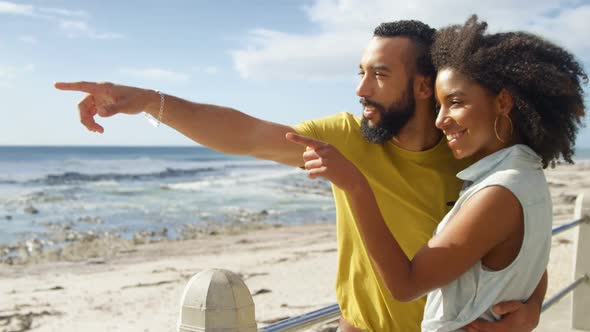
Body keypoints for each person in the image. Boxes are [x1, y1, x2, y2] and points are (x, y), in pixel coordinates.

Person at [55, 20, 546, 332]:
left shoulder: (468, 154)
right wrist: (145, 100)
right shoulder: (344, 137)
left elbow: (518, 244)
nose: (360, 88)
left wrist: (531, 307)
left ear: (422, 86)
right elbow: (245, 133)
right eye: (360, 71)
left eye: (378, 74)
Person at [286, 15, 587, 332]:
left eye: (455, 102)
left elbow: (405, 285)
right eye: (439, 106)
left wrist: (357, 186)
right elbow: (530, 261)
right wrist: (533, 308)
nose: (441, 121)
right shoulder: (524, 174)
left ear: (503, 102)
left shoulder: (499, 191)